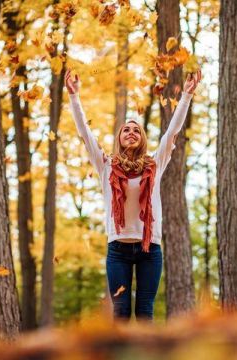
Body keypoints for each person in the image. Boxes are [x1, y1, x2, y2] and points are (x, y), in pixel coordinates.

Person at [65, 68, 202, 321]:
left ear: (142, 139)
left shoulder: (155, 164)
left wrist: (186, 96)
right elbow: (85, 133)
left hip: (150, 249)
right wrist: (74, 97)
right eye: (126, 130)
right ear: (119, 138)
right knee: (121, 312)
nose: (131, 132)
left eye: (136, 130)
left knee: (145, 311)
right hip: (118, 249)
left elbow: (171, 133)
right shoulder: (106, 165)